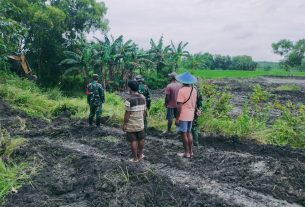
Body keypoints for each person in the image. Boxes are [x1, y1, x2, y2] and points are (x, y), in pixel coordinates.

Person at [122, 80, 147, 163]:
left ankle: (135, 158)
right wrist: (142, 119)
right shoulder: (143, 98)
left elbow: (127, 115)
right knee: (141, 139)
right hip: (140, 123)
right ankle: (140, 155)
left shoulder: (128, 100)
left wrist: (125, 124)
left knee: (133, 140)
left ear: (130, 88)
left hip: (131, 124)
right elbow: (144, 111)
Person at [175, 72, 197, 158]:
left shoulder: (181, 90)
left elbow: (179, 106)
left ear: (182, 81)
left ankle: (186, 153)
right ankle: (191, 152)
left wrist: (177, 118)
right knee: (189, 132)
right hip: (191, 114)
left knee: (183, 134)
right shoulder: (194, 89)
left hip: (183, 115)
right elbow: (194, 103)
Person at [192, 80, 203, 146]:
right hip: (195, 110)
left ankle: (189, 143)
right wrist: (199, 109)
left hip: (188, 111)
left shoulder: (184, 89)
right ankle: (195, 142)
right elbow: (200, 101)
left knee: (188, 127)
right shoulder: (196, 89)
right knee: (194, 126)